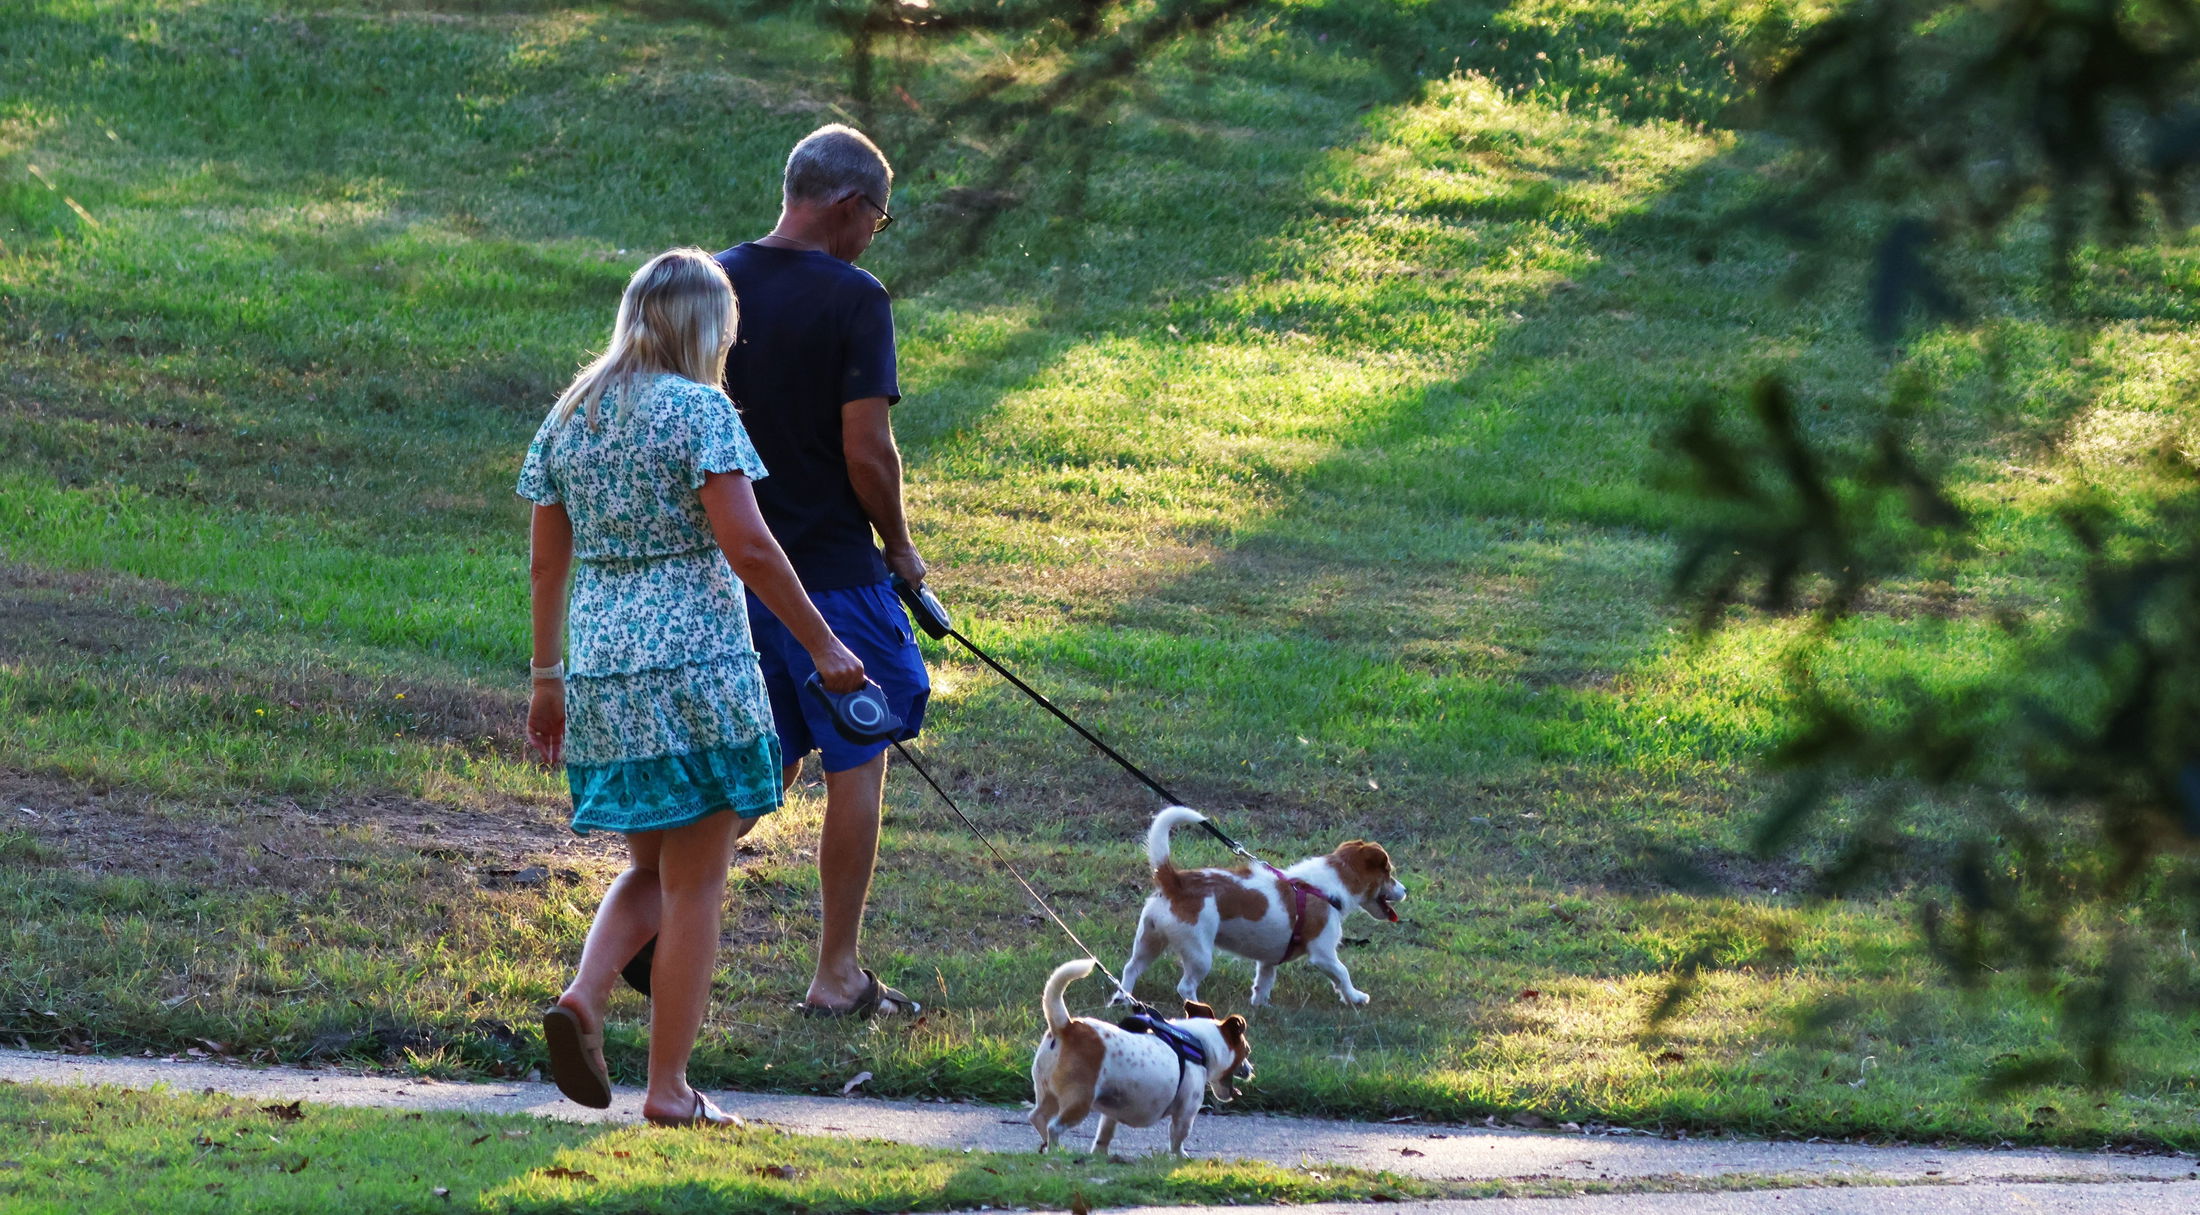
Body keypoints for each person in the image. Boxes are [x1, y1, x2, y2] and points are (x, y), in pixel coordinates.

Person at [520, 248, 866, 1124]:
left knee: (651, 864)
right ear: (707, 326)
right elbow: (748, 545)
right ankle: (669, 1089)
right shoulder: (700, 410)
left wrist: (546, 676)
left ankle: (585, 994)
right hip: (696, 663)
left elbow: (546, 563)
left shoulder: (573, 412)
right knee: (696, 882)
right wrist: (823, 643)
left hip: (604, 666)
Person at [714, 123, 932, 1018]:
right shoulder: (855, 297)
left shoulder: (710, 283)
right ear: (848, 204)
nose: (873, 235)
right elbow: (867, 450)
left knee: (760, 762)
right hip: (835, 574)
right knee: (859, 753)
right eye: (879, 219)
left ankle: (647, 914)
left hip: (735, 572)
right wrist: (901, 548)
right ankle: (836, 971)